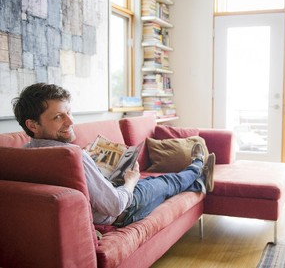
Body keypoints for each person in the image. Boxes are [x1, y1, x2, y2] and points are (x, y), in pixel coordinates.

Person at [12, 83, 215, 227]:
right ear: (32, 125)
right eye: (58, 117)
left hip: (106, 197)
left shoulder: (23, 156)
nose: (70, 122)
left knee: (161, 185)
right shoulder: (72, 156)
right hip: (123, 208)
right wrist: (131, 181)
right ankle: (198, 166)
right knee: (167, 181)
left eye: (69, 112)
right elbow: (115, 206)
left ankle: (198, 183)